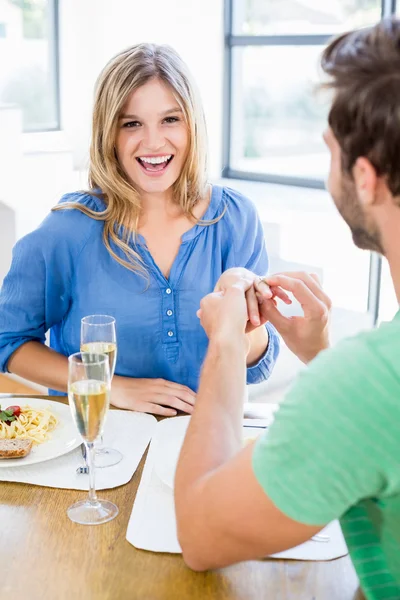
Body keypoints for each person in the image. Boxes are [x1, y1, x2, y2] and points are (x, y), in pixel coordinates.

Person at [175, 18, 400, 599]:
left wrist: (224, 347)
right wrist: (322, 355)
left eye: (330, 152)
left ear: (367, 178)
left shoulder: (370, 383)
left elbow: (199, 534)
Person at [0, 43, 279, 416]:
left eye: (170, 120)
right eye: (131, 124)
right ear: (109, 134)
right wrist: (109, 386)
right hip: (98, 444)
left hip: (202, 444)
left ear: (192, 124)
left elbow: (258, 364)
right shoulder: (67, 230)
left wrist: (245, 315)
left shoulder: (235, 218)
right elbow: (9, 342)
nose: (153, 142)